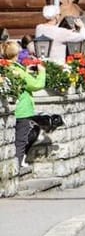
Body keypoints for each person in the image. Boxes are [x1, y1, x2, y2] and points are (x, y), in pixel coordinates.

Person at [2, 39, 47, 174]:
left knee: (17, 139)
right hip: (23, 110)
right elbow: (35, 85)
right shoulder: (17, 70)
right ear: (16, 54)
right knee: (21, 140)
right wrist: (42, 72)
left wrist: (25, 71)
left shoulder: (8, 67)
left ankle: (17, 163)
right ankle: (17, 167)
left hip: (16, 109)